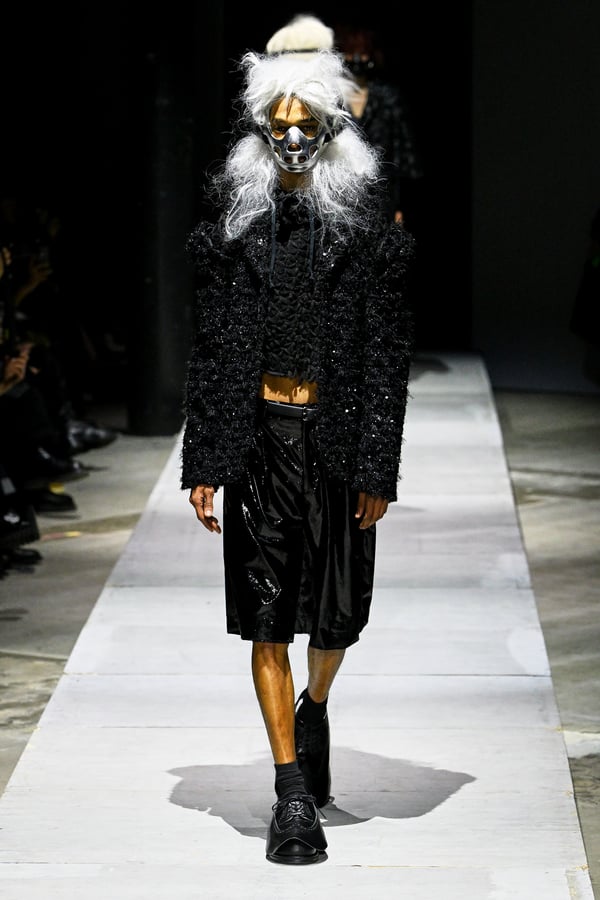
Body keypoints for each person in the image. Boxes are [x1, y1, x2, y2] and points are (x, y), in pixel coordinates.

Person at [181, 48, 416, 865]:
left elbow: (386, 352)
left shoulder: (363, 230)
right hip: (259, 442)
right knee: (267, 616)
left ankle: (315, 707)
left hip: (338, 440)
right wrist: (205, 457)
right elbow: (213, 347)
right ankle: (290, 793)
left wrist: (378, 463)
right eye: (276, 125)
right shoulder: (236, 223)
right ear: (259, 130)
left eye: (304, 124)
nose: (289, 139)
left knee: (337, 615)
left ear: (328, 129)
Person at [265, 14, 424, 227]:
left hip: (384, 194)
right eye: (350, 52)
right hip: (339, 192)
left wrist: (400, 206)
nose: (356, 58)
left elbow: (403, 156)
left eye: (362, 52)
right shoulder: (329, 97)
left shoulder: (388, 98)